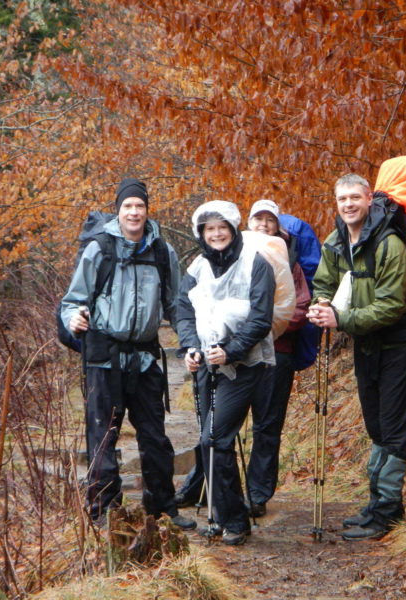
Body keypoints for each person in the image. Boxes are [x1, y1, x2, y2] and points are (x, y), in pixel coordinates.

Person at [60, 177, 195, 531]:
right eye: (127, 206)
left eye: (139, 206)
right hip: (104, 357)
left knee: (155, 436)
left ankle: (163, 508)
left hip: (146, 359)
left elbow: (176, 304)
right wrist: (73, 319)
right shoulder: (99, 249)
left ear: (147, 211)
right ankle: (105, 511)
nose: (134, 212)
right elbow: (72, 300)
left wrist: (191, 340)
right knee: (103, 436)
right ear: (118, 211)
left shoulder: (162, 252)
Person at [306, 173, 406, 541]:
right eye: (342, 199)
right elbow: (324, 283)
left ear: (369, 199)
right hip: (366, 343)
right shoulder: (336, 240)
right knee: (375, 423)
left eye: (355, 197)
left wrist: (340, 320)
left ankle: (387, 512)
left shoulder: (390, 245)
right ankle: (378, 503)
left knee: (393, 425)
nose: (348, 205)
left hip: (399, 343)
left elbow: (391, 306)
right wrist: (321, 304)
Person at [177, 200, 276, 546]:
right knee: (211, 441)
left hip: (245, 365)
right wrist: (190, 347)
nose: (216, 234)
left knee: (214, 438)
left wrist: (231, 350)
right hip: (206, 364)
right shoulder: (197, 266)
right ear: (201, 233)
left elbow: (261, 318)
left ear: (233, 229)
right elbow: (183, 311)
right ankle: (221, 515)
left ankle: (235, 520)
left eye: (222, 227)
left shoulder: (256, 263)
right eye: (209, 229)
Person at [244, 199, 311, 517]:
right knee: (223, 425)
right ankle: (216, 488)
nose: (263, 225)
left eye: (269, 220)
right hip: (236, 354)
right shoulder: (234, 255)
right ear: (248, 223)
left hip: (277, 354)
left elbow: (300, 307)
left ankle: (258, 494)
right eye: (258, 219)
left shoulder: (290, 262)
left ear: (277, 226)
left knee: (267, 426)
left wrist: (264, 329)